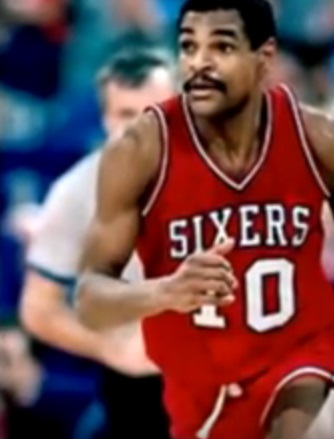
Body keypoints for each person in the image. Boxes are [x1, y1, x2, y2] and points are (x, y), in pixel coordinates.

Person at [75, 0, 334, 438]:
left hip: (303, 358)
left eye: (222, 46)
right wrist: (165, 291)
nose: (200, 62)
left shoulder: (324, 140)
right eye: (189, 46)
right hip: (204, 391)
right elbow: (89, 299)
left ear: (264, 57)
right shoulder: (140, 150)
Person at [19, 47, 176, 439]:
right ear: (106, 118)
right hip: (144, 388)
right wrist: (110, 348)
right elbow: (39, 309)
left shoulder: (234, 174)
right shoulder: (76, 192)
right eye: (126, 114)